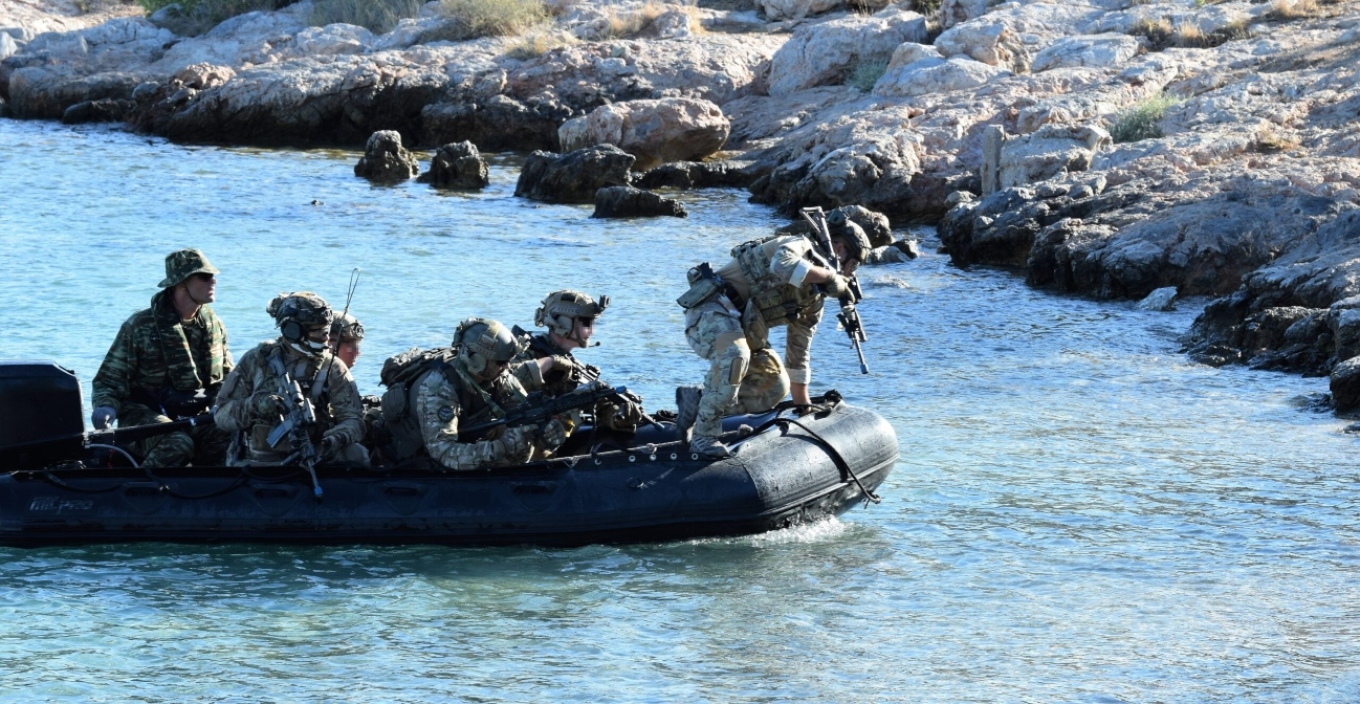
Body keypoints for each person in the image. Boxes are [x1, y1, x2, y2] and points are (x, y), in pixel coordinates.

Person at [675, 218, 873, 458]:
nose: (851, 273)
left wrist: (804, 410)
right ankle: (704, 437)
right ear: (839, 248)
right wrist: (830, 277)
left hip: (742, 329)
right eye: (853, 264)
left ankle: (696, 403)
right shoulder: (797, 245)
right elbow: (782, 266)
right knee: (736, 355)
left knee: (776, 385)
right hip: (709, 312)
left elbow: (798, 356)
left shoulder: (813, 301)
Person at [91, 248, 233, 466]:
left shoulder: (214, 326)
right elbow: (108, 380)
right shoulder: (140, 326)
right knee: (177, 444)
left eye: (213, 276)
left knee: (233, 435)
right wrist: (106, 408)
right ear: (181, 283)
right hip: (144, 416)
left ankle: (206, 485)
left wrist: (223, 405)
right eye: (204, 276)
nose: (213, 281)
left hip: (196, 413)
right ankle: (140, 484)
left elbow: (227, 377)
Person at [213, 292, 369, 466]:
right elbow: (221, 415)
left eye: (326, 330)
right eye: (318, 330)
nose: (326, 337)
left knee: (356, 453)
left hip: (313, 460)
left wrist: (331, 441)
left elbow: (354, 421)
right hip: (258, 463)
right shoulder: (257, 360)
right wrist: (256, 404)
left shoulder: (332, 366)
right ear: (293, 330)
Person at [401, 317, 566, 470]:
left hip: (468, 442)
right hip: (417, 460)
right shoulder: (440, 387)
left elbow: (522, 412)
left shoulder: (499, 376)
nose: (507, 367)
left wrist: (544, 431)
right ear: (477, 360)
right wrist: (501, 448)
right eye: (501, 362)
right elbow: (443, 452)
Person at [509, 290, 644, 432]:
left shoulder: (574, 367)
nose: (592, 331)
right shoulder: (527, 352)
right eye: (586, 323)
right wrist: (551, 362)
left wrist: (620, 418)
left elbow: (602, 408)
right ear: (563, 323)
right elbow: (508, 381)